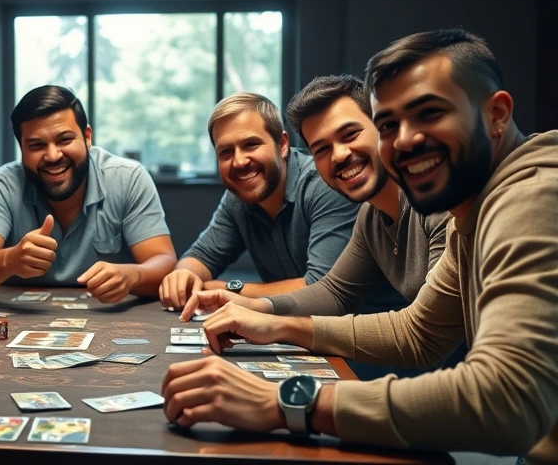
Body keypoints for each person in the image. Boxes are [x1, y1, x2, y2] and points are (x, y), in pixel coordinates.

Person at [161, 29, 558, 462]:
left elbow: (507, 400)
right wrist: (275, 321)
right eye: (390, 125)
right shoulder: (469, 207)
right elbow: (416, 333)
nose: (404, 140)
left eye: (429, 112)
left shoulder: (534, 195)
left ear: (496, 114)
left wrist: (287, 403)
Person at [180, 75, 454, 379]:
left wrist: (276, 324)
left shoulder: (443, 204)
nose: (338, 155)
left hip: (460, 390)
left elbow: (421, 337)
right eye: (321, 149)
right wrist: (253, 305)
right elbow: (334, 293)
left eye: (350, 134)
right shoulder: (370, 215)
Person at [0, 85, 176, 303]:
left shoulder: (128, 178)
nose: (52, 156)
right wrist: (8, 260)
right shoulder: (3, 184)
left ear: (87, 137)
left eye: (65, 140)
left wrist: (131, 276)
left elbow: (164, 262)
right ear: (21, 148)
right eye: (36, 145)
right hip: (18, 325)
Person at [158, 93, 358, 305]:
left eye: (251, 145)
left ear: (282, 144)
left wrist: (226, 289)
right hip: (292, 330)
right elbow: (201, 257)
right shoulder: (238, 197)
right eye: (226, 152)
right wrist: (183, 275)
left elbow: (320, 289)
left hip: (362, 330)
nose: (239, 162)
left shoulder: (324, 184)